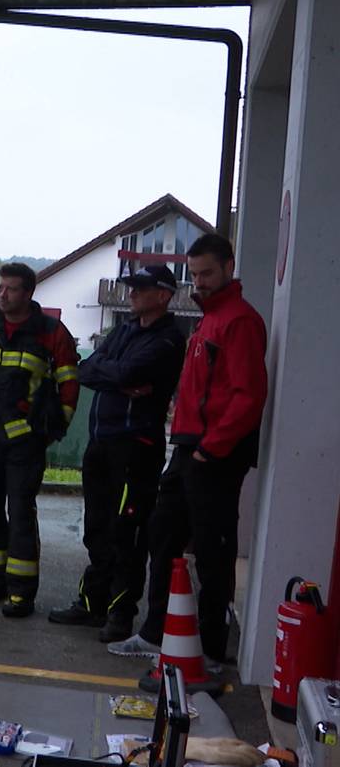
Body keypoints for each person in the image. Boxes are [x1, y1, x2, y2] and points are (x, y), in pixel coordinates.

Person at [108, 234, 267, 672]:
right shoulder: (208, 320)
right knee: (162, 537)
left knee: (214, 555)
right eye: (194, 275)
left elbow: (249, 396)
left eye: (207, 274)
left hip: (213, 454)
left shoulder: (240, 321)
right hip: (187, 450)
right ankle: (156, 634)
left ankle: (212, 653)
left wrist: (210, 451)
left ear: (229, 268)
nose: (199, 283)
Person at [48, 264, 185, 642]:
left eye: (141, 288)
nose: (132, 293)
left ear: (163, 295)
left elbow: (122, 374)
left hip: (135, 448)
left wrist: (117, 376)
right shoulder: (124, 330)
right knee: (96, 528)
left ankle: (120, 614)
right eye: (131, 287)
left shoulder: (169, 340)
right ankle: (92, 604)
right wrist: (118, 377)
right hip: (101, 443)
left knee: (126, 532)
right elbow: (87, 369)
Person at [0, 262, 80, 618]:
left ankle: (22, 592)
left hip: (25, 440)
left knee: (21, 513)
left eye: (10, 289)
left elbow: (69, 384)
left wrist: (57, 427)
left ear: (28, 293)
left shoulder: (52, 332)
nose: (2, 294)